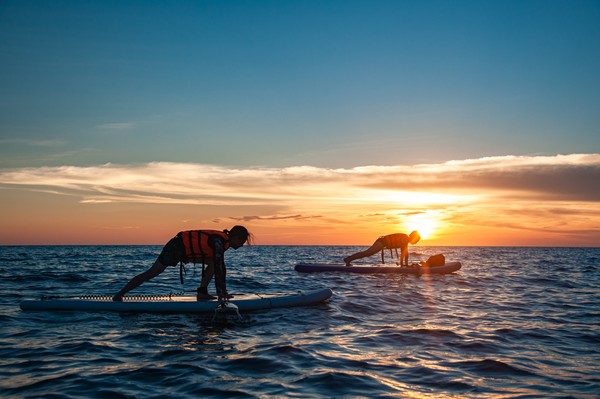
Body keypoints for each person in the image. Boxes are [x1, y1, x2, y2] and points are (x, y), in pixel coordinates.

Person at [113, 225, 252, 302]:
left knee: (215, 264)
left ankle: (202, 292)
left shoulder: (223, 242)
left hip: (186, 253)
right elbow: (220, 265)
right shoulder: (219, 241)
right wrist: (222, 293)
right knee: (152, 273)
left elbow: (219, 265)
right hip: (175, 248)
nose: (241, 245)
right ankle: (120, 294)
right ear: (236, 237)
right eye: (242, 242)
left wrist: (222, 291)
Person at [344, 231, 420, 266]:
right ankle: (349, 259)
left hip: (381, 242)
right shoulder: (405, 239)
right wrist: (404, 265)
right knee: (368, 253)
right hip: (382, 242)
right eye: (416, 241)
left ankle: (349, 259)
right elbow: (404, 254)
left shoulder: (405, 238)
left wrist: (404, 265)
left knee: (367, 253)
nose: (416, 243)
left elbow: (405, 254)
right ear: (413, 238)